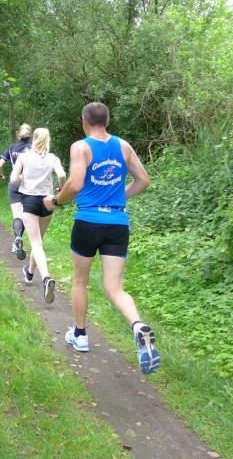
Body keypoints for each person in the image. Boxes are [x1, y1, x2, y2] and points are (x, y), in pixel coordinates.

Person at [43, 102, 159, 374]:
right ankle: (138, 326)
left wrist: (56, 202)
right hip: (117, 222)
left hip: (88, 221)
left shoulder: (81, 147)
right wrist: (119, 197)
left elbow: (75, 184)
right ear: (107, 121)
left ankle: (80, 334)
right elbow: (144, 180)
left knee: (80, 281)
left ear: (84, 121)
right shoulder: (123, 146)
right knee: (115, 288)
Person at [10, 127, 66, 304]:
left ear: (33, 138)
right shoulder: (53, 158)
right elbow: (62, 175)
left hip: (30, 201)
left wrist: (22, 176)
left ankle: (46, 278)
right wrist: (60, 189)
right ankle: (29, 272)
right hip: (48, 202)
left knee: (36, 243)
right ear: (48, 140)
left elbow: (13, 179)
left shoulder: (24, 157)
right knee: (39, 242)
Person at [0, 124, 33, 260]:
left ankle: (17, 238)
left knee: (17, 215)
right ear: (30, 135)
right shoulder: (34, 148)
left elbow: (0, 165)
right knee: (26, 215)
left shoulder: (12, 148)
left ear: (18, 135)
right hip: (30, 184)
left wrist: (0, 175)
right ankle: (19, 240)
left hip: (14, 183)